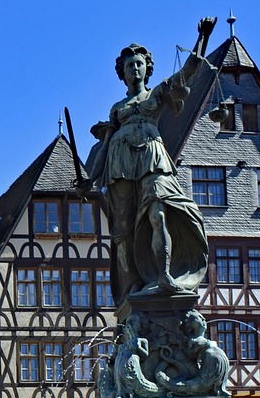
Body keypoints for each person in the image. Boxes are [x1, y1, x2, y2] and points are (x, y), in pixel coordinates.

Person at [84, 18, 215, 301]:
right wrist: (90, 178)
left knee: (159, 213)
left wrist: (202, 38)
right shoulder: (117, 109)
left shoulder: (157, 93)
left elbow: (187, 73)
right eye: (129, 65)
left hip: (151, 159)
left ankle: (164, 275)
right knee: (123, 231)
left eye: (139, 64)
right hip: (119, 166)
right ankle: (131, 286)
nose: (135, 68)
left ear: (147, 69)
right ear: (122, 72)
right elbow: (105, 147)